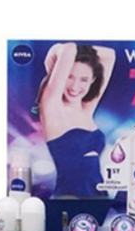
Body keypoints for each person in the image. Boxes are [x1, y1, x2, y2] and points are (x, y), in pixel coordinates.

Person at [36, 43, 116, 198]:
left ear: (93, 80)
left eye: (84, 79)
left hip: (99, 199)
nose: (75, 86)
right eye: (69, 77)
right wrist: (57, 49)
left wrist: (81, 53)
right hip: (69, 200)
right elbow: (69, 49)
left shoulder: (86, 109)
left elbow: (109, 55)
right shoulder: (52, 108)